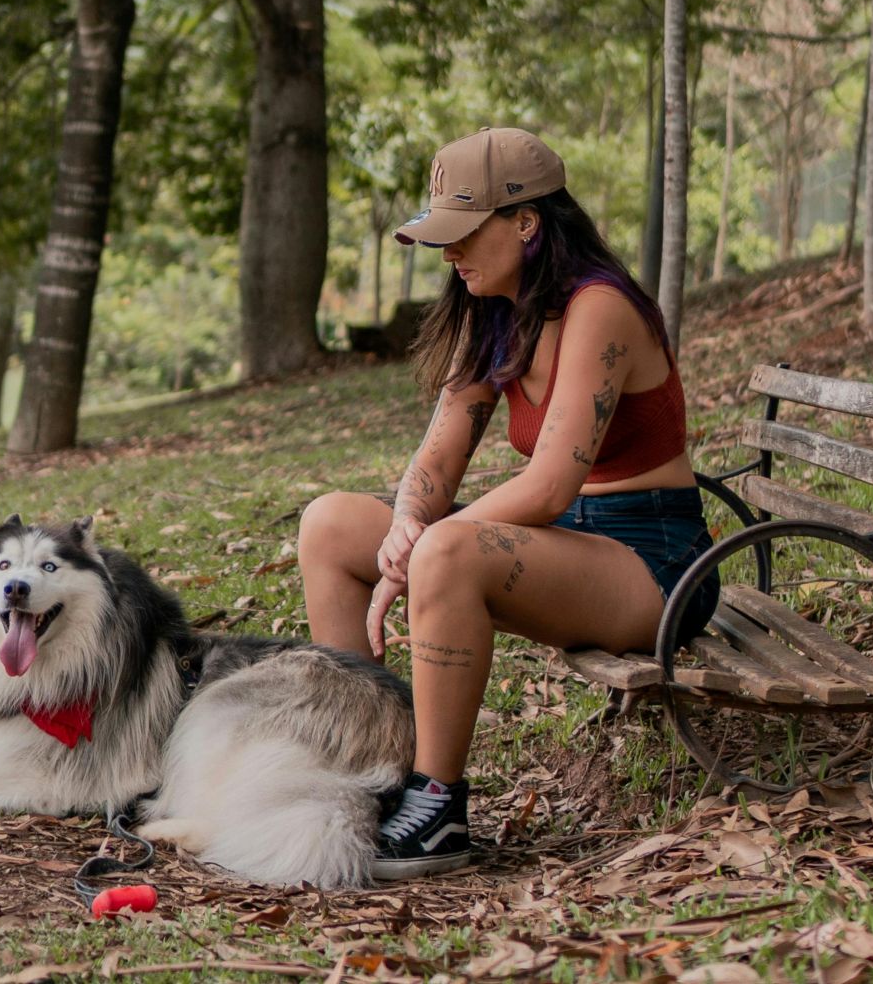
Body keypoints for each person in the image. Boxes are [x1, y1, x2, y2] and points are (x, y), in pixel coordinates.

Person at [297, 127, 719, 880]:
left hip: (653, 562)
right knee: (329, 524)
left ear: (527, 223)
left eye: (464, 233)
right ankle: (370, 772)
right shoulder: (494, 308)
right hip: (564, 541)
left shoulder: (599, 308)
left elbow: (550, 483)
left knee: (448, 550)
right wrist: (405, 524)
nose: (449, 254)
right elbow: (439, 455)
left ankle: (438, 809)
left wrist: (425, 546)